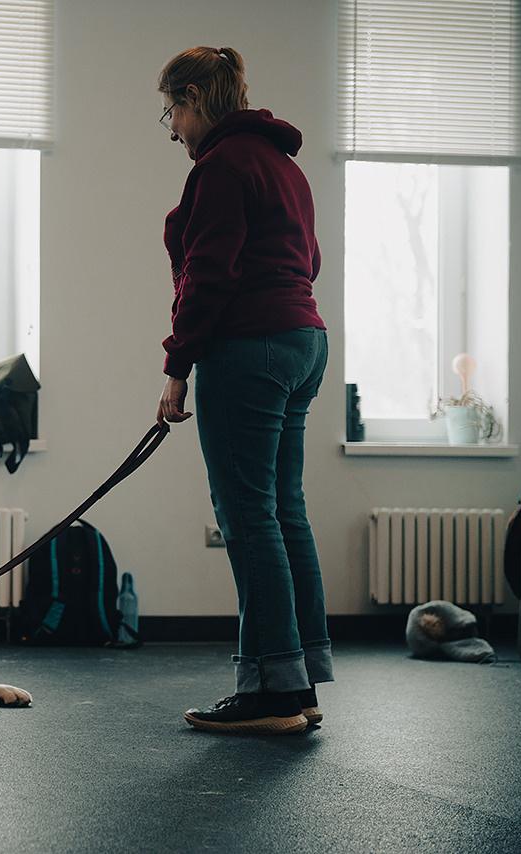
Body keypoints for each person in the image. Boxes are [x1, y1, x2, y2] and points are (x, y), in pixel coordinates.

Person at [154, 47, 330, 734]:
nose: (172, 129)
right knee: (284, 511)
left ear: (194, 97)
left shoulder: (222, 165)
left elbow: (210, 272)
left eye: (171, 111)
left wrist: (178, 364)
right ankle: (299, 683)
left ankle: (270, 693)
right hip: (303, 340)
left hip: (250, 345)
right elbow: (309, 260)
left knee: (249, 516)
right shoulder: (284, 166)